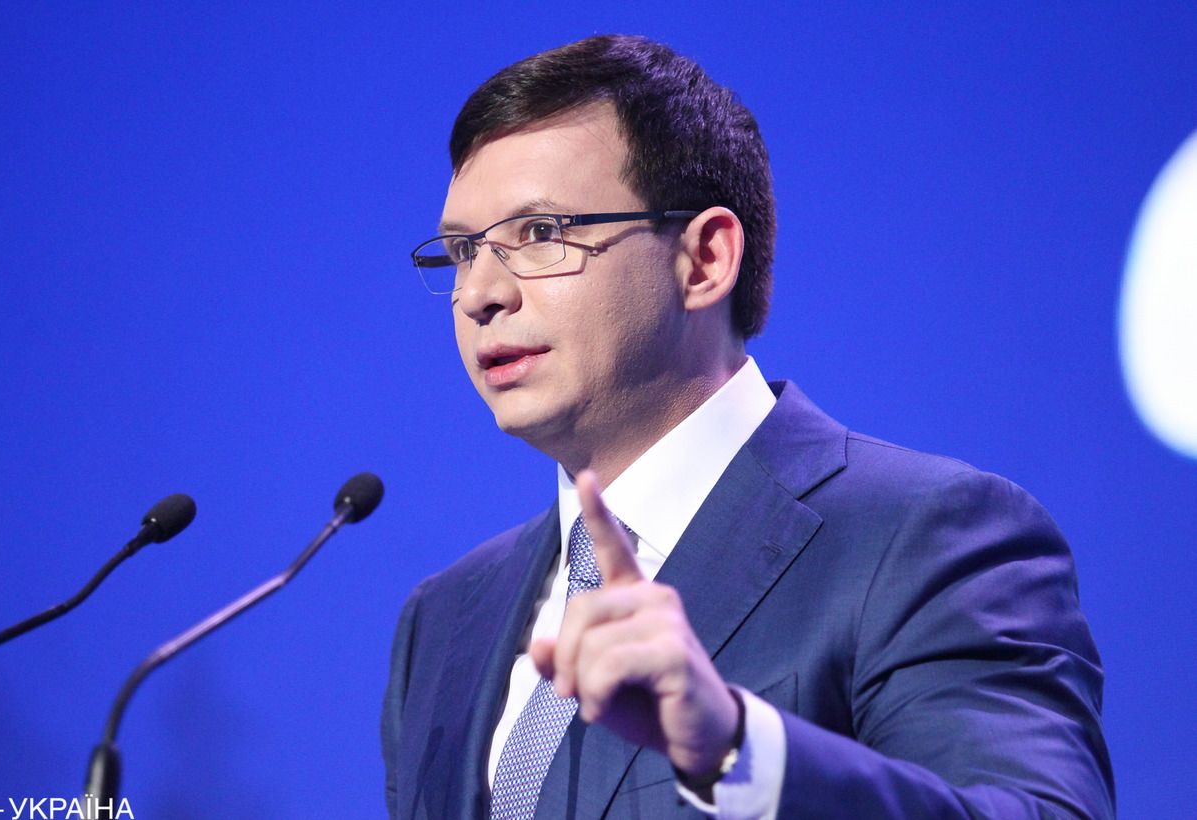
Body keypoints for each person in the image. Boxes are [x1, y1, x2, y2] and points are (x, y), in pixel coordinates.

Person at [382, 34, 1113, 819]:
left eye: (539, 234)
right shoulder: (445, 619)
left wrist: (735, 747)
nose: (478, 294)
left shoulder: (924, 538)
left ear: (704, 260)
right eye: (463, 250)